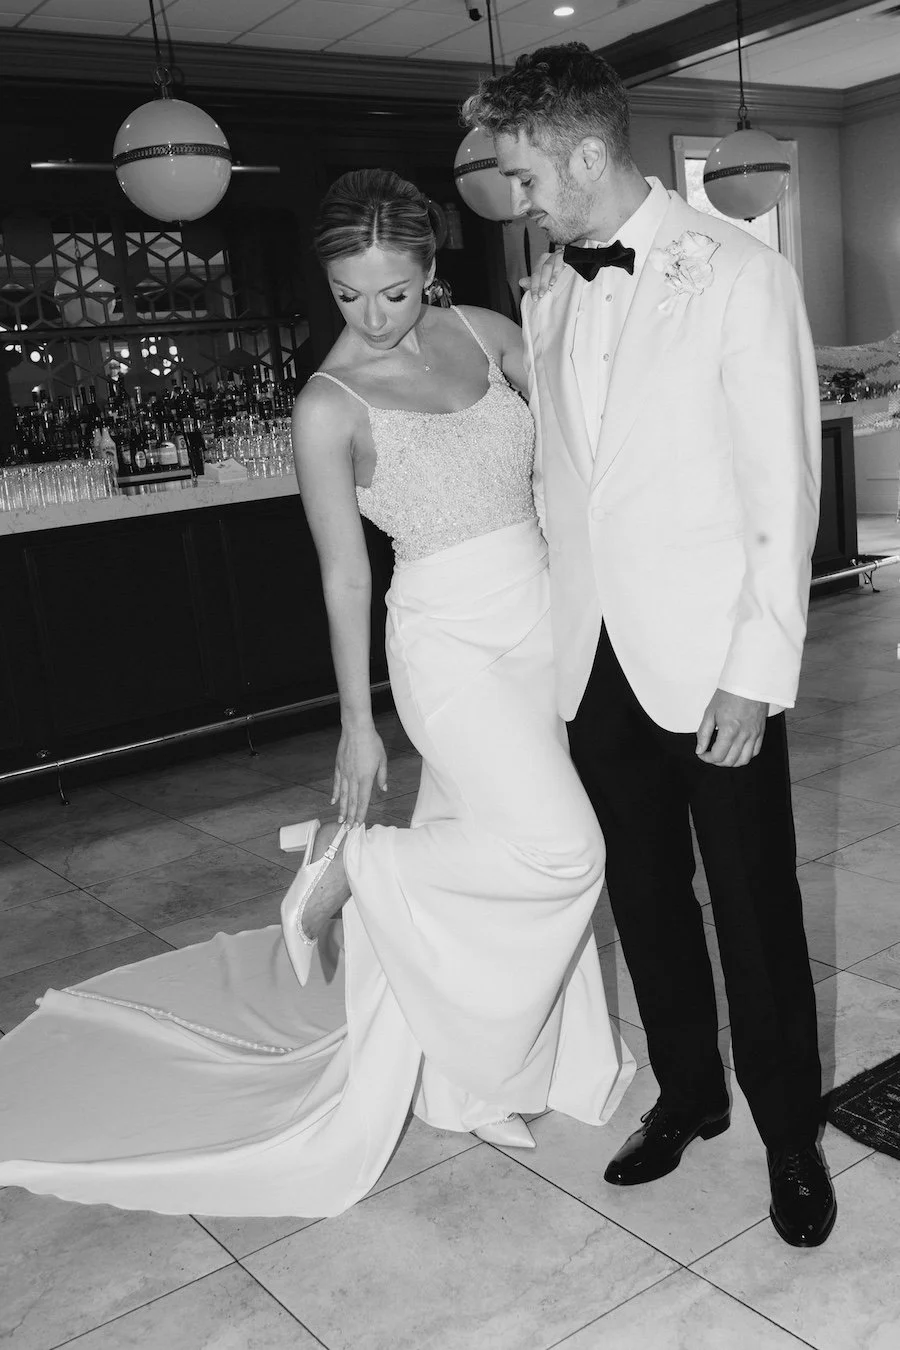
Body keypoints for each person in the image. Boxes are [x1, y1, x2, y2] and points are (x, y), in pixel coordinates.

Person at [0, 168, 632, 1219]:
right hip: (448, 645)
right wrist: (358, 723)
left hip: (542, 624)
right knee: (565, 850)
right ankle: (353, 861)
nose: (373, 317)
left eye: (392, 291)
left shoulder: (482, 332)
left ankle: (470, 1078)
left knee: (486, 850)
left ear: (432, 271)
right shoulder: (325, 404)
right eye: (348, 295)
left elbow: (579, 426)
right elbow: (345, 574)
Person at [464, 43, 836, 1249]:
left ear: (582, 151)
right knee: (646, 894)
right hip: (597, 661)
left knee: (753, 903)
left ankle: (791, 1134)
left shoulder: (737, 271)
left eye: (525, 175)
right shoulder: (549, 286)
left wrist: (757, 664)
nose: (518, 201)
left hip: (713, 661)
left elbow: (783, 480)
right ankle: (690, 1095)